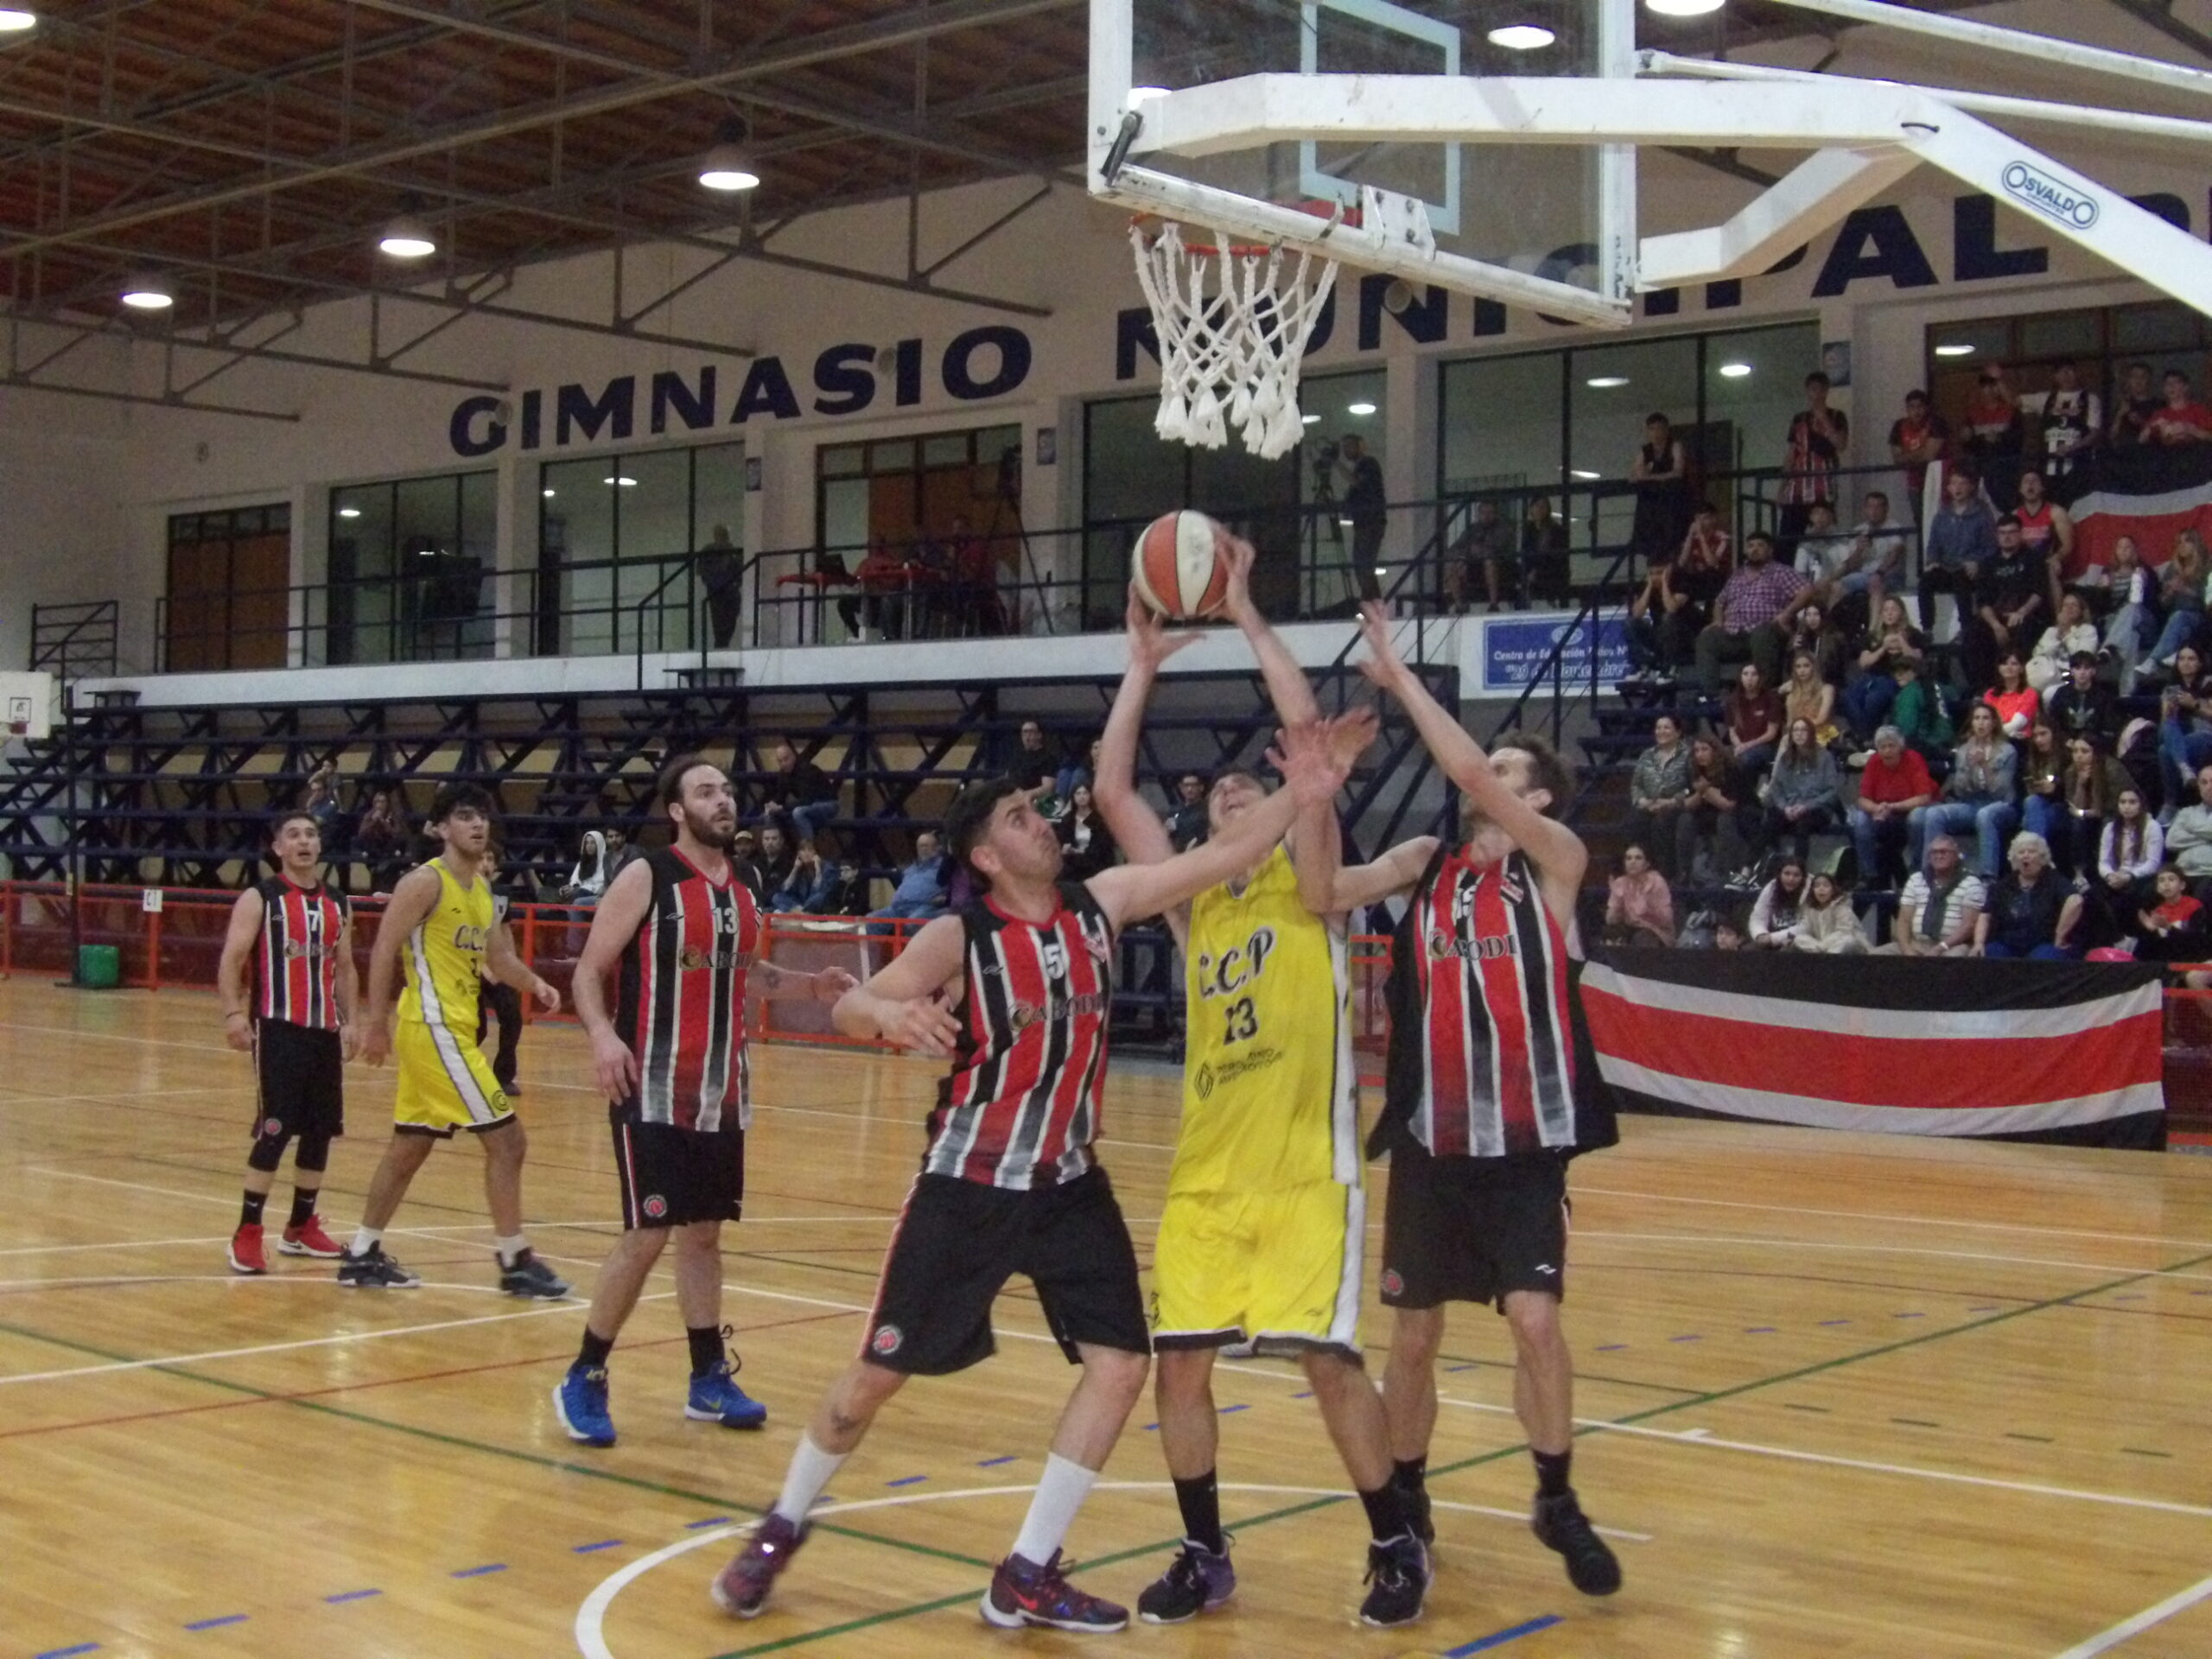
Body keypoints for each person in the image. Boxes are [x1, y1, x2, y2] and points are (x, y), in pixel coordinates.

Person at [709, 721, 1357, 1632]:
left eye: (1037, 810)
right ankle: (781, 1526)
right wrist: (886, 1020)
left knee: (1121, 1365)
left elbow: (1224, 853)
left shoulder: (1104, 902)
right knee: (870, 1384)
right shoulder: (959, 935)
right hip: (969, 1184)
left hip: (1069, 1185)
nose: (1042, 821)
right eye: (1019, 817)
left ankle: (1027, 1569)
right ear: (987, 855)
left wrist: (1306, 788)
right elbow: (858, 1000)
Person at [1095, 549, 1440, 1627]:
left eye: (1256, 784)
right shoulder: (1193, 899)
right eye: (1223, 794)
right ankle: (1204, 1553)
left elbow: (1303, 742)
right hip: (1207, 1167)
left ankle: (1394, 1540)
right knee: (1179, 1370)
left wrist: (1245, 607)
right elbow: (1112, 793)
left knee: (1327, 1363)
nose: (1238, 790)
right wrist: (1140, 669)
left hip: (1302, 1166)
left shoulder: (1309, 875)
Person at [1351, 602, 1624, 1601]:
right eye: (1490, 767)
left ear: (1537, 796)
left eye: (1510, 771)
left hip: (1524, 1147)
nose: (1487, 777)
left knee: (1535, 1323)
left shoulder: (1555, 866)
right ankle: (1407, 1493)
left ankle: (1554, 1495)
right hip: (1433, 1144)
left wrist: (1401, 680)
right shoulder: (1425, 868)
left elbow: (1464, 771)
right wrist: (1310, 793)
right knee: (1413, 1336)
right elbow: (1321, 889)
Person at [553, 757, 856, 1449]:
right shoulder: (647, 875)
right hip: (651, 1083)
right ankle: (585, 1374)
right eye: (706, 792)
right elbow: (590, 970)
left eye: (726, 790)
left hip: (721, 1089)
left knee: (704, 1234)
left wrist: (809, 986)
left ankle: (707, 1376)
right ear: (677, 810)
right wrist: (601, 1036)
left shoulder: (746, 881)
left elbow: (743, 970)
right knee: (647, 1233)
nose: (723, 801)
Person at [346, 784, 566, 1294]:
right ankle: (514, 1259)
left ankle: (361, 1253)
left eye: (482, 816)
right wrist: (376, 1024)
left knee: (409, 1147)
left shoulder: (481, 890)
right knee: (509, 1141)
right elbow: (383, 948)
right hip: (434, 1027)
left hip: (452, 1028)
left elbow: (499, 958)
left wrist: (535, 983)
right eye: (465, 816)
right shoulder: (425, 882)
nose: (477, 824)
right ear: (441, 828)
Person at [217, 810, 359, 1274]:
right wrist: (234, 1013)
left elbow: (345, 967)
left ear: (320, 845)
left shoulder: (338, 902)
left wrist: (352, 1022)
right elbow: (232, 958)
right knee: (276, 1129)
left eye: (311, 834)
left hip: (324, 1031)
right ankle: (247, 1230)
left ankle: (300, 1226)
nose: (304, 842)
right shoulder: (260, 897)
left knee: (320, 1130)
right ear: (278, 847)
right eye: (294, 835)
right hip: (277, 1028)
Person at [1694, 531, 1809, 693]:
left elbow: (1807, 590)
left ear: (1770, 550)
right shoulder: (1737, 575)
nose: (1754, 549)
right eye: (1750, 546)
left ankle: (1765, 694)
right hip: (1734, 633)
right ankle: (1710, 695)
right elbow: (1720, 602)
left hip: (1767, 631)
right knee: (1707, 637)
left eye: (1760, 545)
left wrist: (1787, 613)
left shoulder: (1781, 571)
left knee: (1761, 634)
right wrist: (1718, 621)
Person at [1913, 703, 2018, 878]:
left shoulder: (2007, 751)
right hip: (1971, 803)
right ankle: (1930, 874)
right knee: (1933, 814)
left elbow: (2000, 791)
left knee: (1985, 815)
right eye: (1977, 718)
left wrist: (1984, 765)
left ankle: (1988, 876)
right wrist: (1969, 768)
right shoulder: (1963, 751)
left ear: (1993, 723)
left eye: (1985, 718)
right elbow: (1961, 792)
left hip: (2001, 805)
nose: (1981, 723)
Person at [1963, 514, 2049, 693]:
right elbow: (1983, 601)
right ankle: (1982, 690)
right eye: (2002, 533)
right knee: (1971, 635)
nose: (2007, 537)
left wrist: (2021, 612)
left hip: (2025, 616)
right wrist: (1995, 625)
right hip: (1996, 619)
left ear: (2020, 533)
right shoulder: (1988, 564)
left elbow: (2038, 593)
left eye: (2011, 532)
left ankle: (2020, 688)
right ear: (1997, 535)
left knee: (2025, 633)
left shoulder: (2033, 559)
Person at [1849, 726, 1935, 888]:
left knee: (1918, 818)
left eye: (1891, 746)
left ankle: (1917, 870)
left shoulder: (1914, 759)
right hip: (1882, 811)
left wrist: (1893, 807)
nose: (1887, 751)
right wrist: (1876, 808)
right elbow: (1863, 799)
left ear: (1900, 747)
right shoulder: (1874, 761)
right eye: (1883, 747)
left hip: (1909, 809)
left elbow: (1924, 797)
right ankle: (1868, 874)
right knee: (1859, 819)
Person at [1974, 833, 2082, 959]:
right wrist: (1978, 943)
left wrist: (2059, 936)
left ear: (2042, 857)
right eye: (2021, 852)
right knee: (1990, 953)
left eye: (2031, 852)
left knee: (2045, 957)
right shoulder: (2004, 885)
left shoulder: (2054, 880)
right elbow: (1985, 915)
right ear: (2015, 859)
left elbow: (2075, 900)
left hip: (2043, 943)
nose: (2026, 856)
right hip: (2007, 943)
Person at [1918, 467, 1999, 637]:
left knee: (1961, 581)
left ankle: (1966, 628)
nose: (1958, 488)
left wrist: (1977, 562)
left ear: (1971, 487)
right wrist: (1932, 561)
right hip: (1946, 567)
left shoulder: (1982, 514)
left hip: (1970, 569)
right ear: (1948, 488)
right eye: (1954, 483)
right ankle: (1927, 628)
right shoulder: (1942, 515)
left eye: (1963, 483)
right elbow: (1933, 544)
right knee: (1925, 582)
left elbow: (1991, 546)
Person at [475, 853, 529, 1096]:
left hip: (497, 966)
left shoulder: (501, 894)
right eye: (481, 859)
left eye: (490, 859)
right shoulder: (461, 891)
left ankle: (504, 1076)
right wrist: (484, 968)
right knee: (478, 1027)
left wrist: (511, 967)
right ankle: (458, 1071)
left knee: (512, 1018)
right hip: (469, 967)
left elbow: (505, 931)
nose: (485, 864)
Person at [1778, 371, 1848, 553]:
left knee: (1823, 534)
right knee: (1788, 537)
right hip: (1798, 485)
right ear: (1807, 391)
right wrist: (1782, 488)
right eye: (1812, 389)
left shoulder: (1836, 416)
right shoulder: (1799, 419)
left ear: (1826, 391)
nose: (1816, 394)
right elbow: (1791, 453)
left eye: (1820, 389)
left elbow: (1841, 445)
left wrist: (1824, 419)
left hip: (1823, 484)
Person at [1880, 836, 1985, 957]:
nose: (1938, 856)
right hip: (1918, 943)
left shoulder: (1971, 883)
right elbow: (1904, 920)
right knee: (1876, 955)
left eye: (1944, 852)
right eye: (1934, 852)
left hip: (1953, 945)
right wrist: (1907, 950)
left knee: (1953, 958)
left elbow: (1969, 925)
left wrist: (1941, 947)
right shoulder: (1916, 879)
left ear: (1956, 856)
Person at [1842, 595, 1925, 740]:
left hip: (1895, 677)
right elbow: (1864, 663)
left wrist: (1901, 641)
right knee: (1848, 697)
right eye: (1886, 610)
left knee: (1873, 699)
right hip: (1871, 677)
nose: (1889, 613)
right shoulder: (1873, 636)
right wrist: (1883, 647)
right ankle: (1865, 735)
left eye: (1893, 609)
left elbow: (1917, 659)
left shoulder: (1913, 634)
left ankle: (1864, 738)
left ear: (1902, 613)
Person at [2088, 787, 2164, 946]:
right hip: (2115, 876)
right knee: (2090, 896)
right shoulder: (2110, 828)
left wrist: (2128, 876)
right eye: (2123, 802)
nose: (2127, 806)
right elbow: (2104, 861)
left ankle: (2127, 939)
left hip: (2141, 877)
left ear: (2141, 805)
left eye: (2132, 802)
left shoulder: (2152, 826)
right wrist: (2110, 875)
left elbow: (2153, 863)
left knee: (2124, 900)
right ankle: (2113, 940)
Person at [1764, 717, 1843, 864]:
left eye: (1803, 730)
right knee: (1770, 821)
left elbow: (1832, 791)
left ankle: (1798, 866)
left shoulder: (1825, 757)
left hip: (1816, 809)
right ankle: (1770, 864)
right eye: (1796, 730)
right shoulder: (1785, 758)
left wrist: (1806, 806)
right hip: (1790, 807)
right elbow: (1776, 788)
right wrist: (1785, 807)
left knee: (1802, 825)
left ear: (1811, 733)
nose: (1799, 734)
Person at [2053, 734, 2132, 879]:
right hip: (2090, 814)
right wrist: (2081, 784)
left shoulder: (2112, 769)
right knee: (2077, 824)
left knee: (2108, 823)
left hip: (2113, 812)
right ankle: (2079, 873)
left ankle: (2110, 870)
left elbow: (2119, 804)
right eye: (2075, 751)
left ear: (2095, 752)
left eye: (2084, 751)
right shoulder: (2071, 772)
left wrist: (2087, 812)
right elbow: (2074, 807)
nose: (2078, 756)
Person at [1679, 734, 1753, 886]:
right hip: (1708, 811)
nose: (1700, 754)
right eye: (1697, 750)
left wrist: (1706, 791)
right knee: (1685, 819)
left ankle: (1731, 872)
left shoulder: (1731, 768)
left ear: (1715, 751)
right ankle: (1684, 872)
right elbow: (1687, 804)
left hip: (1740, 812)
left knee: (1724, 819)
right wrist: (1701, 793)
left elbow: (1729, 805)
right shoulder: (1693, 770)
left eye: (1704, 749)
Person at [1625, 713, 1692, 879]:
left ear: (1678, 732)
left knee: (1661, 823)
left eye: (1666, 727)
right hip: (1649, 804)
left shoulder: (1688, 755)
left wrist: (1671, 801)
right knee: (1633, 821)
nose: (1661, 731)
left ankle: (1665, 875)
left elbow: (1691, 787)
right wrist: (1643, 801)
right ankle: (1639, 872)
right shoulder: (1647, 755)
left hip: (1676, 806)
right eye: (1658, 728)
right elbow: (1636, 784)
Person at [2025, 360, 2101, 505]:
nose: (2066, 375)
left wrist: (2073, 447)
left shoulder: (2090, 399)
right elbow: (2015, 401)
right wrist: (1999, 379)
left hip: (2078, 469)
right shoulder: (2045, 399)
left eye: (2070, 370)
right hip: (2048, 469)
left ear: (2077, 373)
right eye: (2061, 372)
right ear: (2055, 376)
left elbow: (2094, 433)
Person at [1630, 411, 1693, 570]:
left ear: (1666, 430)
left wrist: (1650, 476)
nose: (1656, 433)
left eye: (1659, 428)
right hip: (1651, 506)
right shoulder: (1644, 451)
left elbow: (1678, 472)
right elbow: (1634, 477)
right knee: (1653, 541)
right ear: (1647, 431)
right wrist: (1649, 476)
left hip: (1672, 502)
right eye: (1652, 429)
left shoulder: (1675, 446)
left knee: (1672, 539)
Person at [2012, 469, 2075, 614]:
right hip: (2023, 562)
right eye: (2026, 482)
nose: (2030, 485)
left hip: (2046, 560)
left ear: (2042, 487)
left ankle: (2059, 618)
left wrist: (2057, 557)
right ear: (2020, 489)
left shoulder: (2056, 512)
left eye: (2034, 481)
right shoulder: (2015, 515)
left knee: (2051, 569)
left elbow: (2068, 545)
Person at [1962, 365, 2026, 508]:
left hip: (2006, 470)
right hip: (1981, 469)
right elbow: (1968, 445)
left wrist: (1999, 439)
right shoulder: (1973, 413)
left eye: (1993, 386)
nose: (1990, 391)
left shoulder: (2011, 411)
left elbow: (2018, 439)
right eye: (1985, 387)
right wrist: (1969, 438)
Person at [2148, 530, 2209, 673]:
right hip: (2175, 620)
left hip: (2199, 617)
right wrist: (2169, 594)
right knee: (2181, 626)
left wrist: (2184, 590)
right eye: (2179, 542)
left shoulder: (2207, 566)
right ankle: (2176, 656)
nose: (2182, 545)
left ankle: (2154, 659)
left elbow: (2207, 600)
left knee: (2180, 616)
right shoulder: (2172, 569)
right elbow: (2162, 604)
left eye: (2187, 541)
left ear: (2196, 544)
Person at [2160, 645, 2212, 812]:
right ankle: (2184, 768)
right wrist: (2170, 711)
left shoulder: (2208, 683)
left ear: (2200, 663)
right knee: (2167, 732)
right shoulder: (2171, 688)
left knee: (2165, 751)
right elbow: (2164, 725)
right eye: (2181, 659)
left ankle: (2170, 804)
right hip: (2180, 736)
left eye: (2191, 659)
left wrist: (2194, 705)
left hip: (2204, 735)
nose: (2186, 663)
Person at [2099, 536, 2152, 695]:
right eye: (2120, 547)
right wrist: (2103, 590)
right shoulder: (2108, 573)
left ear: (2134, 551)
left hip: (2142, 619)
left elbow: (2155, 603)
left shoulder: (2145, 571)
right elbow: (2102, 608)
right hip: (2120, 625)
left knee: (2131, 608)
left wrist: (2146, 584)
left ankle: (2109, 647)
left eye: (2128, 547)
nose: (2124, 551)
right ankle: (2126, 693)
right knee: (2132, 637)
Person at [1337, 432, 1387, 599]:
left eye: (1350, 446)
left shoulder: (1369, 464)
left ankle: (1372, 601)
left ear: (1360, 446)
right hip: (1363, 523)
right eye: (1344, 447)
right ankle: (1372, 601)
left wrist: (1336, 463)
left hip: (1370, 522)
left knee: (1364, 566)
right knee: (1362, 567)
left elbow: (1356, 482)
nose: (1346, 450)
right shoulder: (1363, 466)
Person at [761, 736, 838, 845]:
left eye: (786, 759)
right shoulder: (783, 774)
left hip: (828, 804)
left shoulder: (807, 770)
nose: (783, 763)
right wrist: (772, 804)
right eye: (780, 761)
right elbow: (781, 797)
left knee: (798, 812)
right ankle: (779, 849)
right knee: (769, 814)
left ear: (793, 756)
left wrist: (782, 807)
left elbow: (807, 800)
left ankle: (808, 849)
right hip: (809, 805)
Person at [868, 830, 950, 931]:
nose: (923, 849)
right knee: (872, 920)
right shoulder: (911, 869)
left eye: (926, 846)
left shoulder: (943, 867)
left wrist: (945, 897)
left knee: (912, 923)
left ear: (937, 847)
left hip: (924, 906)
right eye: (920, 846)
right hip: (898, 907)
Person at [1889, 388, 1950, 517]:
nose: (1916, 411)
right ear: (1907, 409)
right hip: (1914, 483)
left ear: (1926, 408)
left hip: (1939, 481)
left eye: (1920, 406)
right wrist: (1922, 451)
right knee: (1919, 522)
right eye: (1912, 407)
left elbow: (1929, 456)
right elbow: (1897, 460)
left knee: (1939, 519)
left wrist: (1907, 455)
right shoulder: (1899, 426)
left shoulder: (1937, 423)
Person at [1449, 497, 1516, 613]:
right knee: (1451, 565)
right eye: (1483, 513)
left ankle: (1493, 604)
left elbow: (1498, 549)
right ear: (1478, 514)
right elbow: (1456, 547)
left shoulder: (1504, 529)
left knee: (1489, 561)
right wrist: (1464, 556)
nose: (1487, 516)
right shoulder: (1472, 529)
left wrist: (1480, 550)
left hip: (1501, 567)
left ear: (1496, 514)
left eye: (1490, 513)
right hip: (1474, 567)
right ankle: (1459, 605)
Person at [1603, 845, 1674, 947]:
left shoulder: (1657, 882)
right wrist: (1616, 901)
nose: (1633, 862)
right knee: (1610, 933)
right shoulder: (1620, 882)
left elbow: (1667, 919)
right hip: (1631, 928)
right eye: (1628, 858)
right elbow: (1611, 921)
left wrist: (1648, 906)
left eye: (1638, 858)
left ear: (1647, 864)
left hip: (1655, 931)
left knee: (1642, 937)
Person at [2135, 865, 2207, 963]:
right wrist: (2151, 932)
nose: (2166, 884)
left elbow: (2197, 942)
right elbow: (2150, 952)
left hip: (2191, 960)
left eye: (2171, 879)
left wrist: (2168, 927)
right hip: (2166, 962)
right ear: (2157, 888)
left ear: (2182, 885)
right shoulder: (2158, 912)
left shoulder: (2195, 906)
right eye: (2161, 881)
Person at [1722, 661, 1783, 778]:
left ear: (1761, 677)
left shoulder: (1771, 698)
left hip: (1765, 746)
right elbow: (1732, 732)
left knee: (1746, 759)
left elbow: (1771, 733)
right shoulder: (1732, 700)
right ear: (1740, 677)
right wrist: (1739, 746)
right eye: (1745, 674)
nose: (1749, 678)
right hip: (1740, 746)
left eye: (1754, 674)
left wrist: (1747, 746)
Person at [2027, 596, 2098, 695]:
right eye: (2066, 605)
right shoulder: (2051, 631)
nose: (2069, 608)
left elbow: (2083, 656)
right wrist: (2057, 636)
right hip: (2049, 672)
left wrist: (2067, 632)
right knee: (2032, 689)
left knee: (2049, 693)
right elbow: (2040, 654)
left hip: (2072, 674)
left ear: (2081, 611)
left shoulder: (2088, 630)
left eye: (2074, 605)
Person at [2044, 651, 2115, 745]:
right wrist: (2065, 739)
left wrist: (2090, 742)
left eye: (2087, 668)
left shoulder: (2103, 697)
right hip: (2065, 744)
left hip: (2092, 746)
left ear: (2093, 671)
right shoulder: (2062, 694)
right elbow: (2052, 723)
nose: (2082, 672)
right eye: (2078, 668)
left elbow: (2108, 728)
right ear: (2072, 671)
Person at [1054, 785, 1118, 881]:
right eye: (1078, 793)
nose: (1082, 796)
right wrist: (1065, 850)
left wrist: (1078, 852)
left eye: (1085, 793)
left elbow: (1103, 845)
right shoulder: (1068, 819)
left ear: (1090, 796)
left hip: (1094, 863)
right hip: (1073, 864)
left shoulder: (1098, 819)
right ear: (1073, 797)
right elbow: (1062, 840)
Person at [1794, 871, 1867, 953]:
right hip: (1820, 946)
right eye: (1817, 886)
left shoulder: (1842, 907)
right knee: (1799, 939)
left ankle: (1827, 957)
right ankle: (1823, 955)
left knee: (1847, 940)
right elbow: (1806, 929)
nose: (1821, 889)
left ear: (1833, 889)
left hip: (1841, 944)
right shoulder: (1810, 909)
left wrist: (1823, 945)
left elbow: (1844, 931)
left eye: (1826, 886)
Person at [698, 523, 744, 650]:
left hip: (731, 592)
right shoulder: (708, 551)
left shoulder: (733, 551)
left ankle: (723, 645)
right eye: (719, 534)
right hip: (716, 593)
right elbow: (703, 571)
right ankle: (721, 646)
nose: (722, 537)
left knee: (730, 621)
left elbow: (740, 570)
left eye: (724, 534)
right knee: (719, 623)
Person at [1783, 650, 1840, 750]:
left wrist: (1801, 729)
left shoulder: (1827, 689)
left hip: (1821, 734)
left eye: (1806, 666)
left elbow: (1822, 718)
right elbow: (1790, 723)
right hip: (1797, 734)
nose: (1802, 670)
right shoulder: (1791, 696)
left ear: (1814, 667)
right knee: (1786, 740)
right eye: (1798, 667)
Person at [770, 837, 843, 914]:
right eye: (803, 850)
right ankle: (802, 912)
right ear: (799, 854)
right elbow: (785, 889)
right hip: (801, 904)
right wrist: (795, 870)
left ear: (816, 852)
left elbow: (822, 891)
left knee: (818, 897)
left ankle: (799, 912)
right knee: (777, 897)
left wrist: (818, 869)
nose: (806, 853)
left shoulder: (828, 868)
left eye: (810, 850)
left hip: (819, 903)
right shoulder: (800, 868)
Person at [1523, 494, 1572, 609]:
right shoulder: (1528, 530)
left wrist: (1536, 570)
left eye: (1543, 506)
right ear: (1531, 509)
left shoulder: (1556, 530)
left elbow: (1557, 556)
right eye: (1537, 506)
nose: (1540, 510)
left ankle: (1551, 602)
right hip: (1533, 569)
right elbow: (1526, 552)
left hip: (1552, 569)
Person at [2144, 369, 2212, 448]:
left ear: (2185, 387)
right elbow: (2141, 440)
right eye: (2167, 384)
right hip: (2167, 454)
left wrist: (2192, 430)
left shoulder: (2199, 410)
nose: (2170, 386)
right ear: (2164, 389)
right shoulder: (2159, 414)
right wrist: (2153, 426)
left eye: (2175, 382)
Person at [2167, 763, 2212, 883]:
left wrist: (2191, 828)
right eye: (2204, 782)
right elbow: (2171, 841)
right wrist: (2207, 838)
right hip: (2184, 874)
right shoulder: (2186, 813)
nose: (2209, 787)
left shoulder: (2188, 821)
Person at [1748, 859, 1808, 949]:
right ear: (1780, 874)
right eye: (1787, 874)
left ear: (1803, 877)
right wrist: (1760, 934)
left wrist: (1774, 938)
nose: (1791, 879)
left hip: (1799, 939)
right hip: (1770, 935)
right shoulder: (1772, 887)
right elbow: (1758, 917)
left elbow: (1807, 926)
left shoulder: (1811, 891)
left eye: (1796, 875)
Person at [356, 788, 406, 893]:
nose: (379, 805)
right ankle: (378, 867)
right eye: (377, 802)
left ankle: (382, 867)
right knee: (367, 843)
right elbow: (361, 834)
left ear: (388, 803)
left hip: (389, 848)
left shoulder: (394, 815)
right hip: (374, 849)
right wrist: (373, 822)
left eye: (383, 802)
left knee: (396, 845)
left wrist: (383, 822)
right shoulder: (369, 815)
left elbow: (396, 834)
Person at [1981, 649, 2039, 741]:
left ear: (2021, 668)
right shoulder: (1990, 694)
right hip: (1994, 739)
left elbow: (2017, 724)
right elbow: (1987, 721)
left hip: (2021, 740)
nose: (2009, 667)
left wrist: (1994, 734)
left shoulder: (2030, 693)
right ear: (1999, 668)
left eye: (2014, 664)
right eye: (2004, 664)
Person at [2112, 361, 2162, 449]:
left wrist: (2141, 422)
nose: (2138, 381)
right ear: (2129, 380)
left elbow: (2162, 434)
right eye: (2134, 376)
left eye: (2143, 377)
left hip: (2149, 452)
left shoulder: (2159, 405)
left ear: (2149, 380)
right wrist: (2120, 415)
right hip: (2123, 452)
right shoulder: (2122, 404)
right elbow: (2111, 436)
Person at [1165, 772, 1209, 851]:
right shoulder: (1174, 810)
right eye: (1186, 785)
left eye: (1193, 785)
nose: (1190, 789)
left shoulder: (1207, 810)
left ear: (1201, 787)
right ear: (1181, 788)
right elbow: (1168, 835)